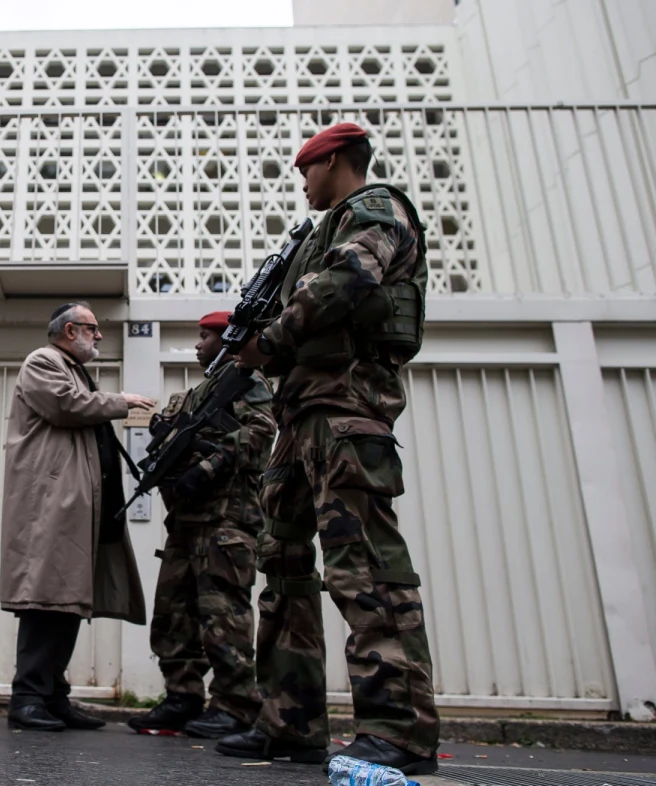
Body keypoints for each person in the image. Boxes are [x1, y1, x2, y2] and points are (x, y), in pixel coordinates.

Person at [214, 123, 440, 775]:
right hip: (301, 414)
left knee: (362, 562)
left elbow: (350, 280)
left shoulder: (374, 209)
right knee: (280, 567)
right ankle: (289, 722)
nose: (303, 183)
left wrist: (272, 341)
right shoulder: (318, 231)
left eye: (306, 170)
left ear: (334, 160)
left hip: (346, 410)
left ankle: (399, 728)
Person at [0, 302, 155, 732]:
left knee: (66, 603)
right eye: (93, 328)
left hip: (73, 508)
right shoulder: (44, 361)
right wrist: (120, 401)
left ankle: (52, 696)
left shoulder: (71, 367)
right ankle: (27, 697)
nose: (99, 336)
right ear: (70, 330)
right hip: (51, 507)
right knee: (43, 601)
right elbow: (65, 405)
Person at [127, 312, 277, 740]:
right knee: (173, 615)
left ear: (227, 339)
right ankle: (183, 696)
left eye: (205, 335)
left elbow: (261, 432)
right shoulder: (197, 394)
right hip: (186, 523)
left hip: (227, 520)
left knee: (222, 616)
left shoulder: (247, 380)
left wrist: (207, 468)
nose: (197, 343)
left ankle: (235, 705)